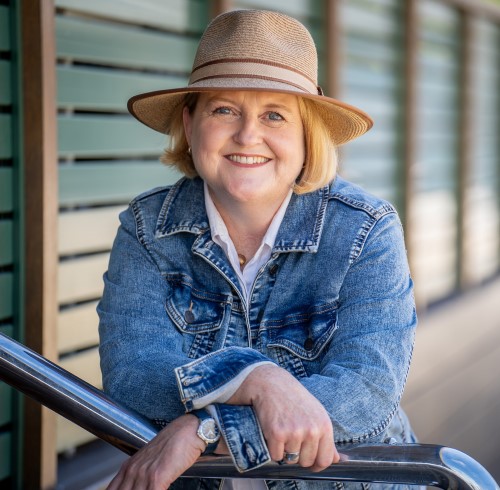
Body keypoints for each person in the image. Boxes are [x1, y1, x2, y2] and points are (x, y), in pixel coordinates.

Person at [98, 9, 418, 490]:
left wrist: (208, 426)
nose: (248, 136)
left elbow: (368, 394)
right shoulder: (146, 229)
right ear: (190, 123)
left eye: (275, 114)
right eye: (224, 109)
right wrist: (254, 379)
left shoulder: (365, 230)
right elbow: (135, 377)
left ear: (307, 135)